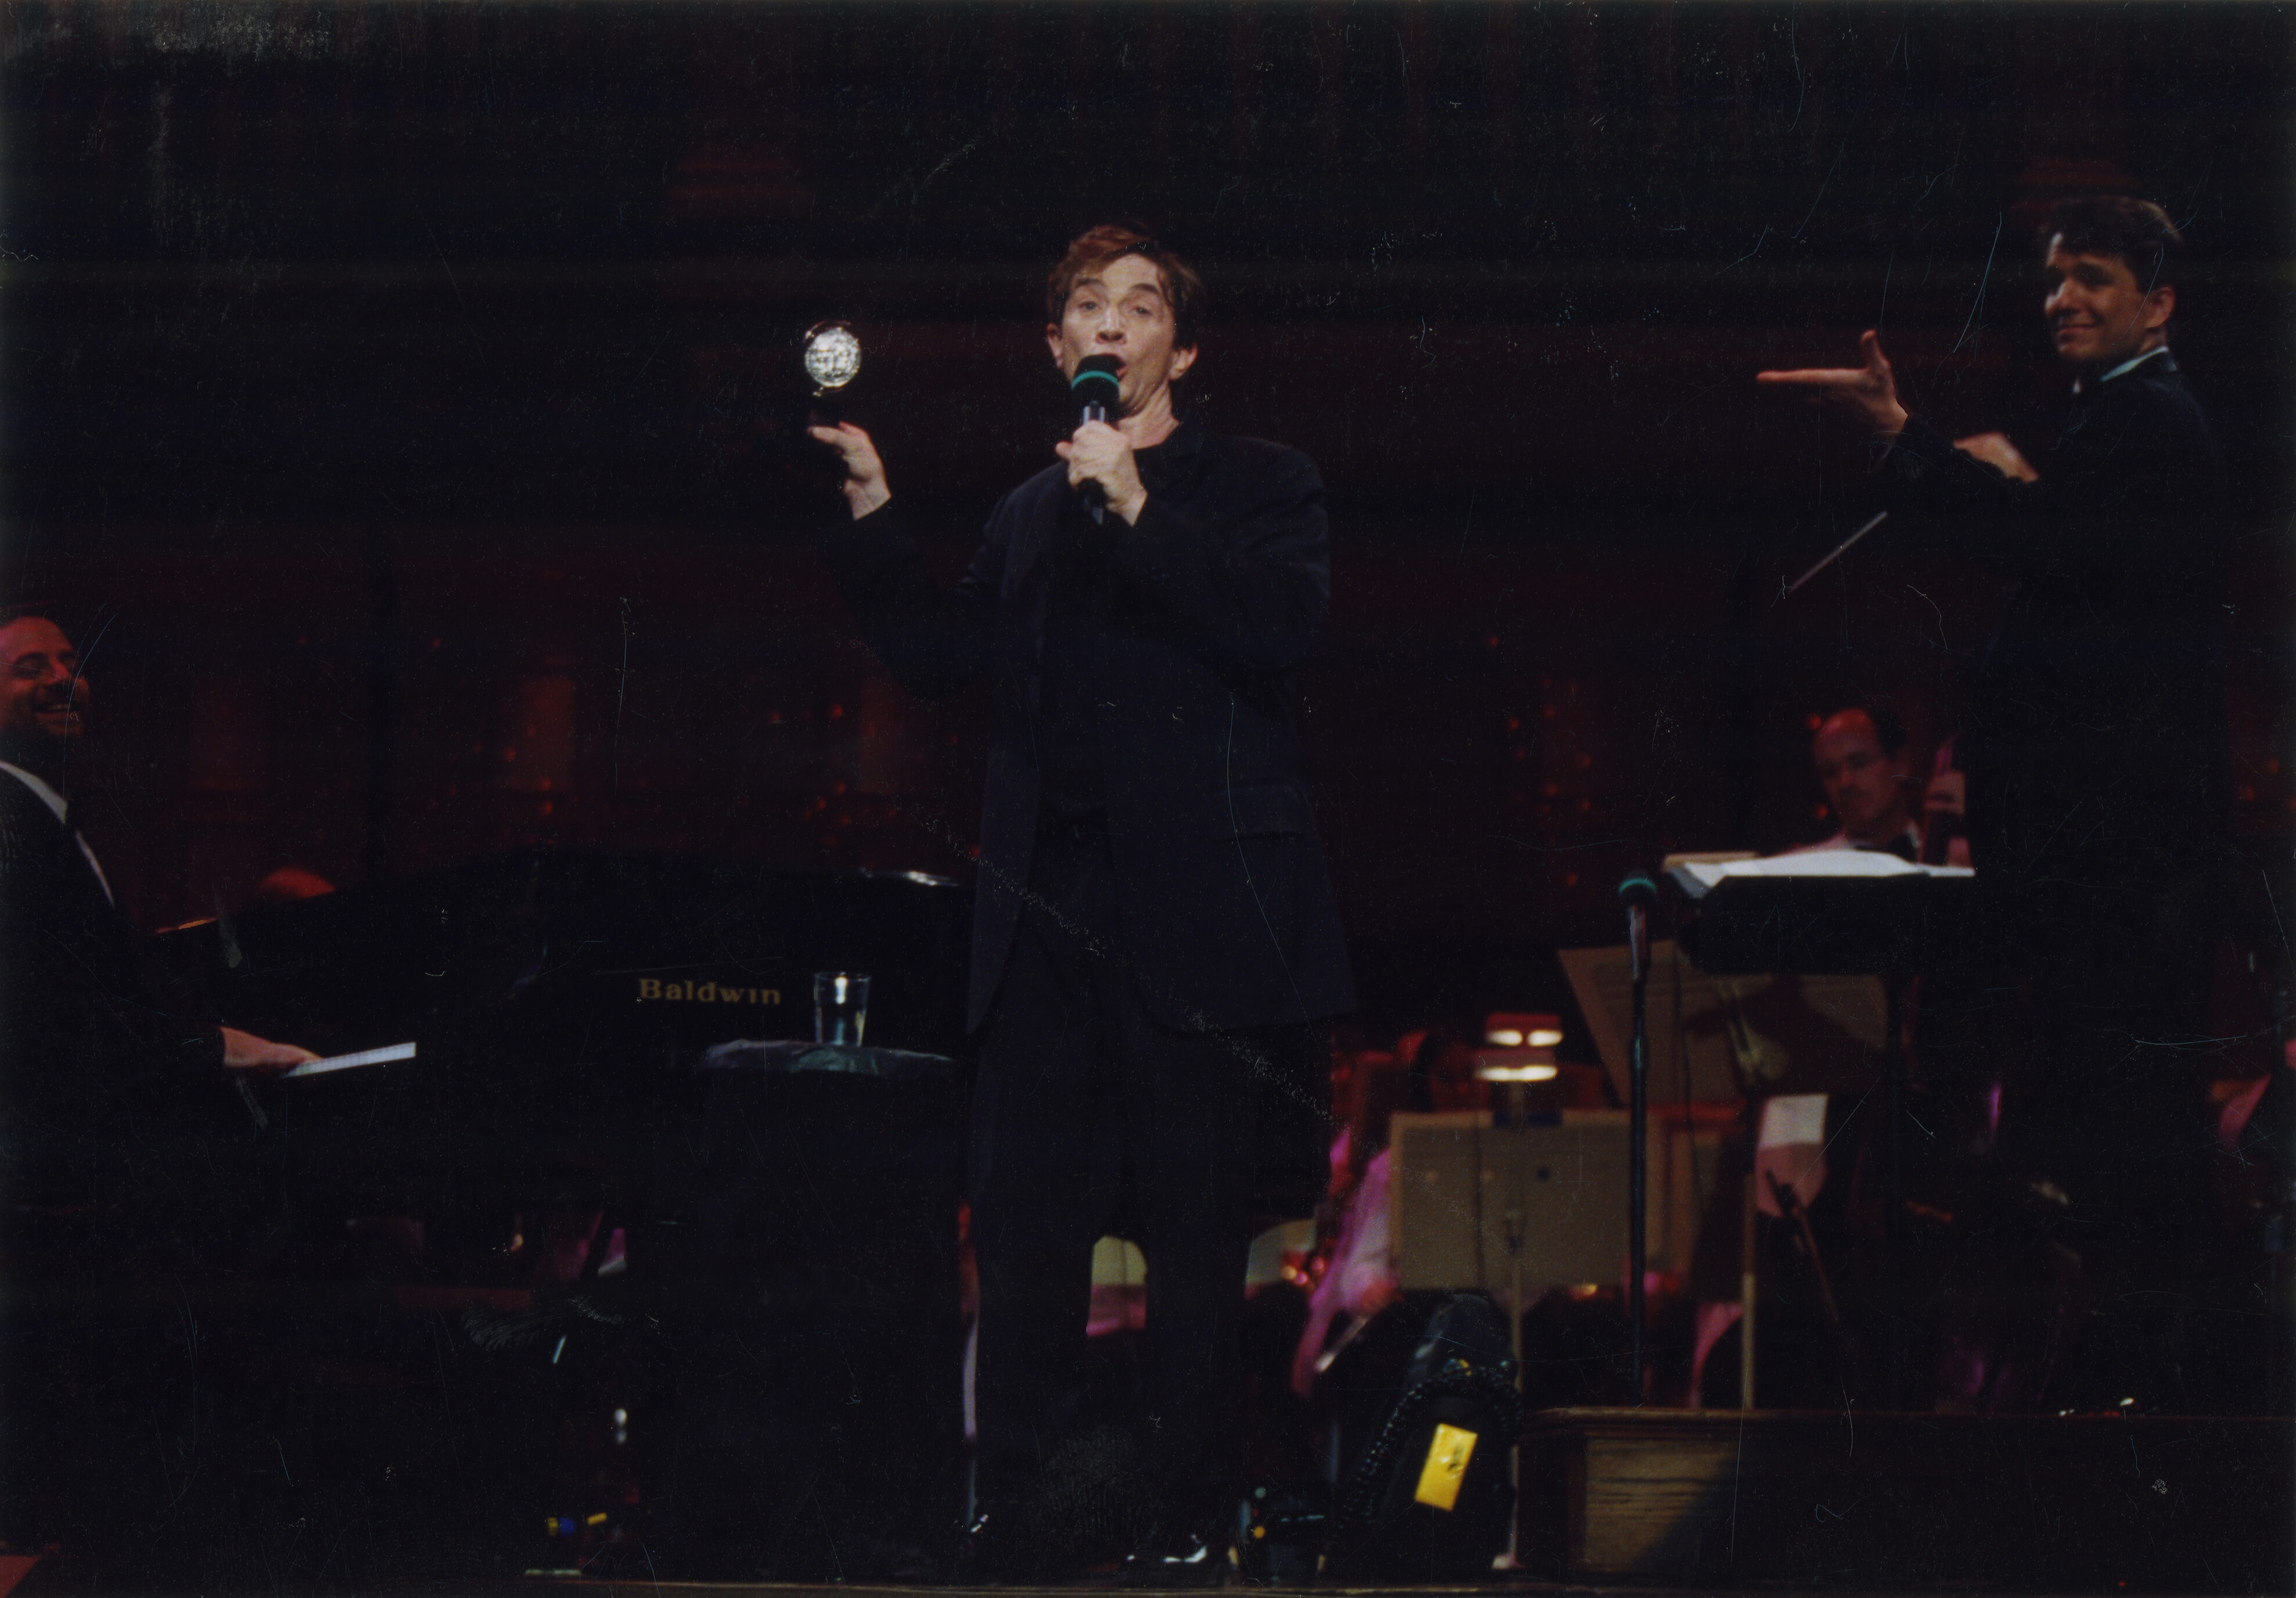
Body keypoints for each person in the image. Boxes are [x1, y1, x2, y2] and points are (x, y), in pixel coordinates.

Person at [806, 225, 1353, 1577]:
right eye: (1086, 307)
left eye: (1141, 303)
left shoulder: (1264, 484)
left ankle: (1183, 1520)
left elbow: (1279, 631)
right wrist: (875, 504)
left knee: (1190, 1239)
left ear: (1182, 345)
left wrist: (1141, 507)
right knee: (1032, 1235)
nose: (1111, 322)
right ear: (1057, 348)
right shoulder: (1024, 512)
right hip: (1047, 918)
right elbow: (940, 656)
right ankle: (1026, 1519)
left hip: (1200, 928)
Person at [1757, 196, 2232, 1407]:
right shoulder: (2115, 421)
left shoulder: (2151, 417)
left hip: (2120, 876)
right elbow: (2065, 548)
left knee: (2114, 1172)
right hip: (2107, 872)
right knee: (2091, 1168)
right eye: (2056, 278)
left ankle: (2127, 1441)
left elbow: (2050, 546)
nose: (2061, 297)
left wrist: (1900, 431)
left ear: (2160, 303)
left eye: (2095, 280)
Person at [0, 608, 315, 1564]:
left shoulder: (48, 819)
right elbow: (53, 1022)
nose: (62, 678)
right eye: (26, 669)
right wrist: (222, 1047)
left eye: (68, 661)